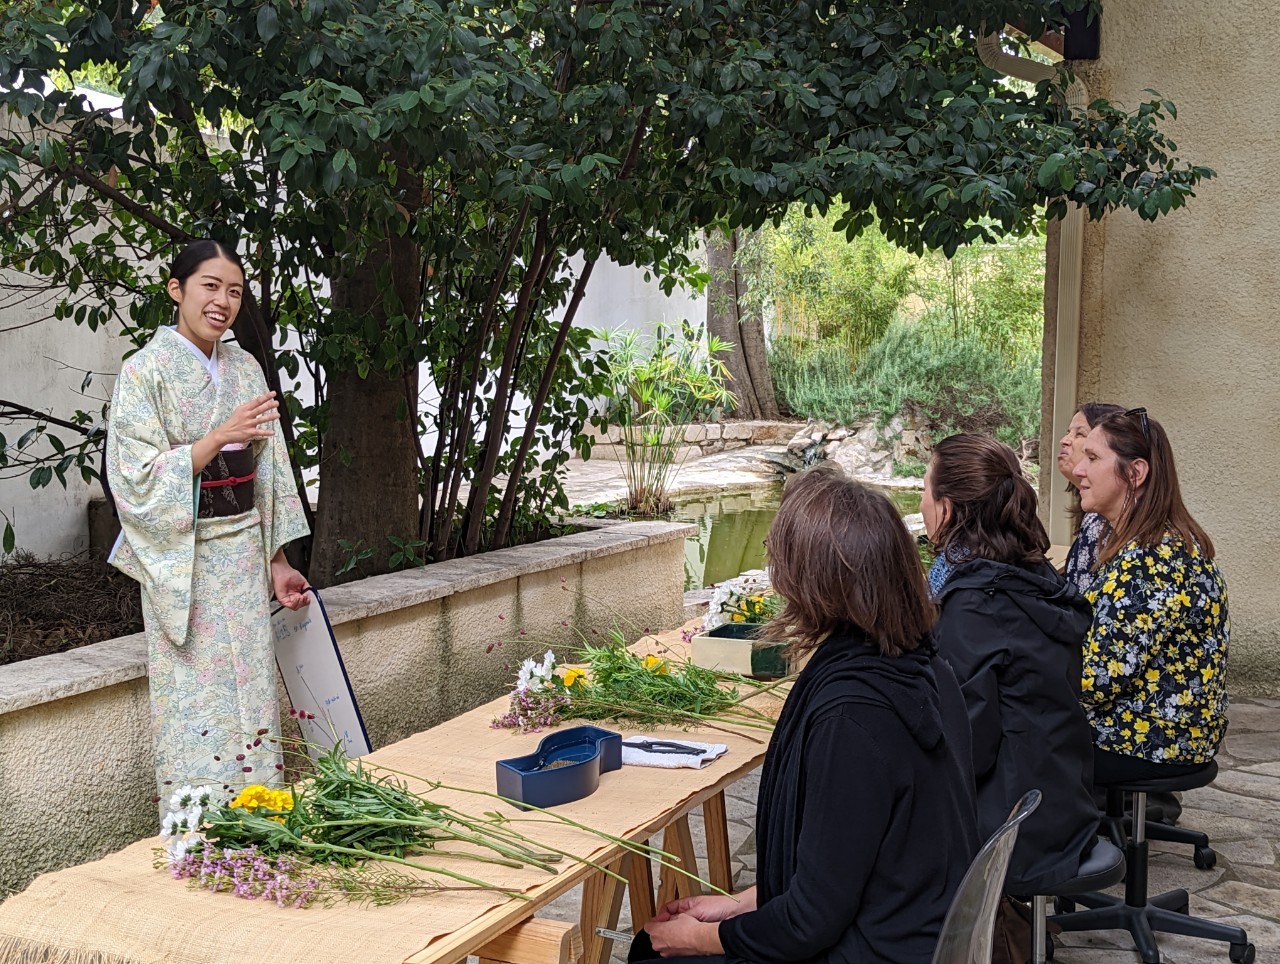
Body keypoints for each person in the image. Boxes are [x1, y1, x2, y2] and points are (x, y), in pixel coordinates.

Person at [634, 464, 979, 964]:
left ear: (815, 585)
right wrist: (739, 905)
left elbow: (810, 922)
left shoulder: (854, 717)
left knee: (653, 951)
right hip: (913, 928)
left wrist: (700, 938)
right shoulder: (925, 667)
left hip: (877, 950)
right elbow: (846, 866)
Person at [106, 240, 311, 807]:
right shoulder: (143, 372)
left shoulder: (244, 366)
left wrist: (278, 562)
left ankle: (261, 806)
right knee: (197, 697)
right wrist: (217, 438)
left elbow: (267, 469)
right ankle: (200, 819)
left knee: (251, 691)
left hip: (244, 549)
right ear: (177, 289)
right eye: (211, 286)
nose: (223, 301)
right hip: (186, 559)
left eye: (235, 291)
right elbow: (135, 478)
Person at [923, 434, 1099, 895]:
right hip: (1059, 800)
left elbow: (967, 746)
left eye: (925, 488)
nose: (921, 501)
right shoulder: (1032, 576)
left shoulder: (974, 605)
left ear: (947, 509)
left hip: (1012, 831)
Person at [1073, 407, 1228, 784]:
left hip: (1156, 740)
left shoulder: (1152, 559)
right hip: (1166, 729)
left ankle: (1059, 841)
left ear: (1136, 473)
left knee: (1012, 735)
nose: (1079, 470)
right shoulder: (1150, 544)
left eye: (1092, 458)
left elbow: (1096, 681)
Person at [1057, 402, 1125, 592]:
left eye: (1080, 434)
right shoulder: (1094, 513)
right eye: (1068, 432)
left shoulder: (1102, 520)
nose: (1064, 440)